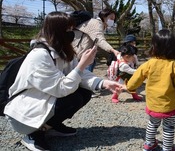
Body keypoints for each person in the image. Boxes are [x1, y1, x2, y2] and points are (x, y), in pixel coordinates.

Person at [4, 11, 123, 151]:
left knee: (84, 92)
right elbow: (61, 88)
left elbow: (80, 75)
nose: (71, 33)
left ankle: (50, 126)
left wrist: (104, 83)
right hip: (25, 113)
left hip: (44, 99)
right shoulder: (39, 55)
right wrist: (82, 64)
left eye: (72, 29)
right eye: (68, 29)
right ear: (56, 31)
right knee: (72, 98)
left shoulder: (63, 49)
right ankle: (33, 134)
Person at [124, 29, 175, 151]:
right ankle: (167, 148)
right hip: (169, 105)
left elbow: (136, 78)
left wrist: (129, 87)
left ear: (154, 47)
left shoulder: (149, 64)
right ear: (173, 48)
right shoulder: (174, 66)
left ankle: (148, 144)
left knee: (152, 123)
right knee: (169, 127)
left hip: (153, 103)